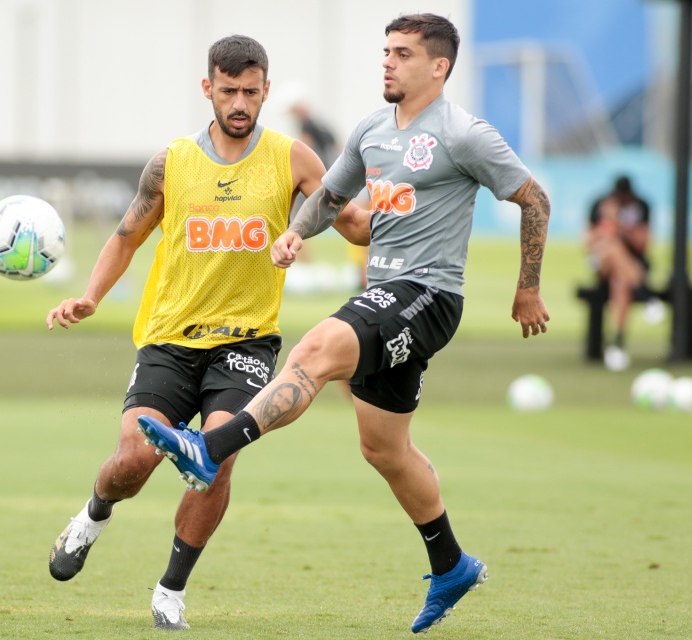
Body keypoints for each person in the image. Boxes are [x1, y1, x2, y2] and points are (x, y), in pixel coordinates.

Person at [137, 14, 551, 634]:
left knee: (319, 346)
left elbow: (533, 198)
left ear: (438, 67)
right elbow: (329, 197)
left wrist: (527, 289)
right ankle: (451, 564)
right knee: (382, 447)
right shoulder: (372, 129)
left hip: (429, 294)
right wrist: (294, 236)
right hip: (385, 293)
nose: (387, 62)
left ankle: (209, 448)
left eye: (403, 54)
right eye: (386, 51)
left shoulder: (465, 134)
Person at [45, 34, 354, 631]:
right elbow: (127, 236)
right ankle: (94, 513)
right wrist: (89, 296)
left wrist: (389, 210)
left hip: (245, 342)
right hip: (168, 339)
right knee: (132, 460)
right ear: (207, 88)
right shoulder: (172, 162)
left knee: (218, 457)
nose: (240, 102)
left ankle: (170, 590)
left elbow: (350, 222)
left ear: (266, 90)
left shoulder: (294, 160)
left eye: (252, 91)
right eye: (229, 90)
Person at [585, 175, 653, 370]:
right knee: (612, 248)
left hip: (627, 268)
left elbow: (643, 244)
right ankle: (643, 293)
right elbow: (587, 242)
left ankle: (617, 343)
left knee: (621, 282)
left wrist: (620, 225)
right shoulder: (599, 205)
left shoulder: (641, 207)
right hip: (602, 263)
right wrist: (607, 227)